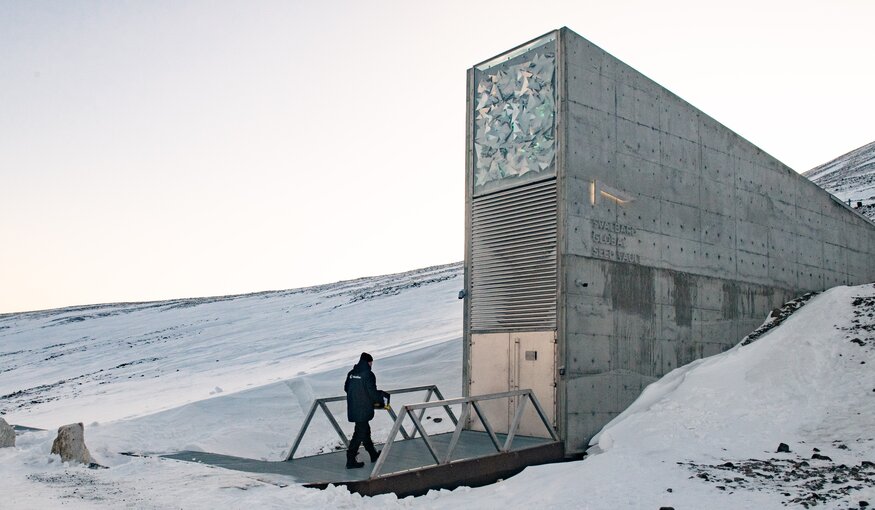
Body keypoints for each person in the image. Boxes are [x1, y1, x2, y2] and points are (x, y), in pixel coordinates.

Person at [343, 352, 387, 469]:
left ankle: (373, 454)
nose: (372, 364)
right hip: (363, 408)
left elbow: (346, 388)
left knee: (364, 430)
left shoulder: (351, 373)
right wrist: (382, 400)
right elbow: (372, 392)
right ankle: (351, 459)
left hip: (354, 406)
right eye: (371, 362)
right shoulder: (368, 374)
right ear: (369, 362)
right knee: (359, 433)